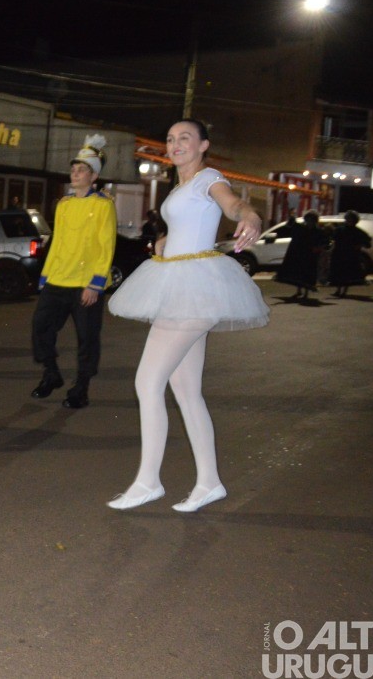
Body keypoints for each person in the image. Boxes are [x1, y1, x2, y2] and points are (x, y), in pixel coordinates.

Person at [107, 119, 269, 513]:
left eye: (185, 138)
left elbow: (231, 203)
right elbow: (191, 225)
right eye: (170, 138)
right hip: (184, 282)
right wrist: (165, 241)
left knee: (148, 381)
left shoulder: (208, 177)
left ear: (203, 146)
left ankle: (148, 481)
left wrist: (249, 215)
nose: (175, 144)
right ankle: (209, 482)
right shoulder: (180, 186)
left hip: (193, 289)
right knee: (185, 390)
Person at [30, 134, 116, 408]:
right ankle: (51, 373)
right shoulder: (64, 205)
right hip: (58, 279)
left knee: (87, 339)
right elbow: (58, 242)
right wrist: (45, 275)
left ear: (94, 176)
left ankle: (81, 387)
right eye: (73, 169)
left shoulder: (104, 205)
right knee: (40, 327)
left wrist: (96, 283)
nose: (75, 174)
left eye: (81, 170)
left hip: (85, 284)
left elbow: (106, 245)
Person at [274, 210, 325, 300]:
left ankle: (306, 293)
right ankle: (299, 291)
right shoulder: (301, 228)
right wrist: (291, 218)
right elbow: (290, 226)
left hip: (310, 257)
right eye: (308, 220)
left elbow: (323, 243)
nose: (310, 222)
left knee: (307, 274)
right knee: (298, 274)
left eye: (312, 220)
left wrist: (318, 248)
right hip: (300, 255)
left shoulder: (318, 232)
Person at [327, 210, 371, 298]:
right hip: (339, 254)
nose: (350, 221)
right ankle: (338, 290)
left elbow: (367, 242)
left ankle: (343, 291)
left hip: (350, 255)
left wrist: (359, 245)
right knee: (339, 272)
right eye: (349, 219)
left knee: (347, 273)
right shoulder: (340, 230)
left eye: (352, 219)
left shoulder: (358, 232)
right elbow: (333, 240)